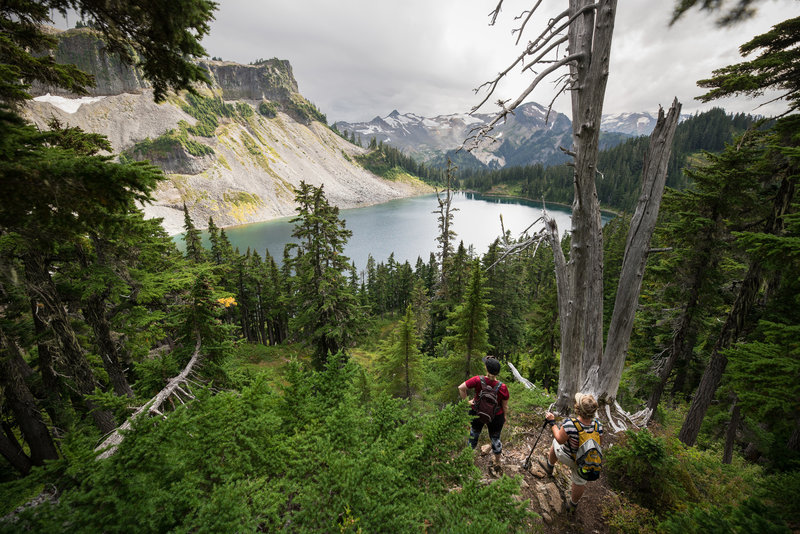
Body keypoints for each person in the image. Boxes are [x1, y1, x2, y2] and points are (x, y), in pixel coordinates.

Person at [539, 392, 603, 512]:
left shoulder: (570, 424)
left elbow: (559, 439)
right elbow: (599, 443)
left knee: (555, 442)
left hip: (567, 457)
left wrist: (552, 422)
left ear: (578, 409)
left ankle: (549, 467)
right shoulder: (598, 426)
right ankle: (572, 505)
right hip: (585, 463)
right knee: (580, 481)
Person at [457, 356, 510, 475]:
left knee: (473, 434)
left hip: (477, 412)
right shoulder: (502, 387)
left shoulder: (477, 380)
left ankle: (467, 460)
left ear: (486, 369)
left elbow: (461, 388)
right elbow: (505, 405)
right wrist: (504, 417)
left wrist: (467, 402)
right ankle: (497, 462)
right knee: (495, 439)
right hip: (496, 416)